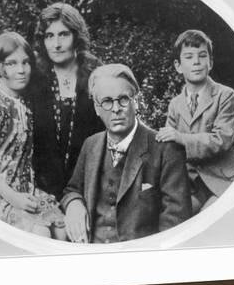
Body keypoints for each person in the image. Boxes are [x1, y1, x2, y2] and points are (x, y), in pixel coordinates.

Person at [61, 64, 192, 243]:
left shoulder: (166, 149)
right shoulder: (90, 144)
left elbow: (175, 221)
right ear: (97, 108)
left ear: (135, 101)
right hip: (91, 252)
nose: (116, 109)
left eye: (123, 99)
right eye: (107, 101)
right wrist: (73, 204)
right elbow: (72, 189)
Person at [0, 32, 66, 239]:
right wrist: (13, 197)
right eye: (11, 63)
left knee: (62, 227)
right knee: (40, 233)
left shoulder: (26, 102)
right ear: (0, 67)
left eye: (25, 63)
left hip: (22, 187)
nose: (21, 70)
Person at [156, 29, 234, 214]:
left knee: (206, 220)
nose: (196, 62)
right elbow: (169, 150)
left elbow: (221, 140)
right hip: (192, 184)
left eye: (202, 56)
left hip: (223, 180)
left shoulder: (225, 95)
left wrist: (180, 138)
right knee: (171, 217)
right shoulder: (175, 104)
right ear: (178, 66)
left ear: (210, 63)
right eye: (188, 57)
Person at [31, 3, 104, 201]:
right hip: (43, 189)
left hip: (90, 185)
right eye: (49, 36)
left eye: (63, 34)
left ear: (76, 37)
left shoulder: (96, 77)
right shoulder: (35, 81)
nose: (56, 44)